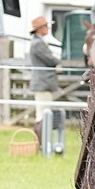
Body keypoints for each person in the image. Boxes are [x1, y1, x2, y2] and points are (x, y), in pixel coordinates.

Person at [28, 15, 62, 146]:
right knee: (43, 115)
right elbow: (50, 59)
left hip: (43, 83)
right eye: (46, 26)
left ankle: (41, 143)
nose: (48, 28)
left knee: (42, 114)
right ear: (39, 28)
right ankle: (41, 143)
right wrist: (58, 61)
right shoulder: (38, 44)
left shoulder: (38, 42)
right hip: (43, 83)